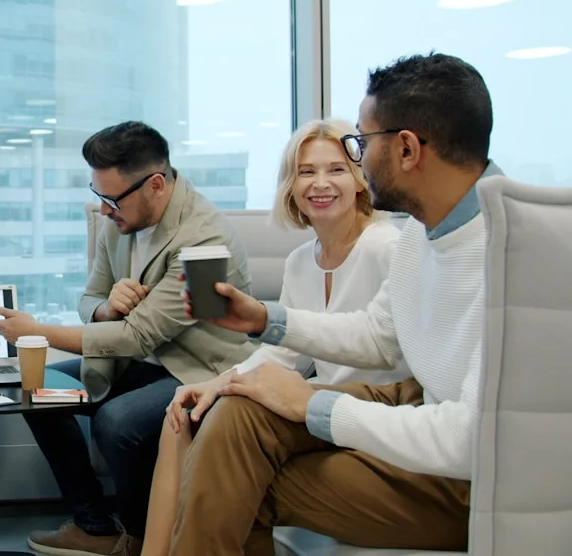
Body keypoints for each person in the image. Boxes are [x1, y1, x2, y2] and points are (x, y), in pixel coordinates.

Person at [167, 52, 499, 555]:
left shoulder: (509, 253)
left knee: (235, 483)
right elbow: (378, 335)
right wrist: (265, 320)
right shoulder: (421, 236)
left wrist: (316, 404)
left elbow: (467, 440)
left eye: (360, 144)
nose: (358, 158)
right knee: (239, 412)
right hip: (421, 406)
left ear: (407, 149)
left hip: (470, 478)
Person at [140, 118, 410, 556]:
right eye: (306, 172)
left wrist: (234, 379)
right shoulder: (302, 260)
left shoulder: (389, 247)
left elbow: (382, 345)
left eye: (336, 170)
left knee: (232, 420)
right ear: (291, 185)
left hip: (369, 407)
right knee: (182, 416)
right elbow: (284, 355)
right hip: (315, 409)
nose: (320, 183)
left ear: (360, 180)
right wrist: (210, 384)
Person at [0, 121, 256, 556]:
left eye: (111, 199)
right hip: (135, 361)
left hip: (196, 368)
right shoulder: (120, 221)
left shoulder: (205, 239)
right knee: (34, 389)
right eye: (98, 196)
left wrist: (37, 332)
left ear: (154, 185)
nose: (105, 210)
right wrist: (105, 308)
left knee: (120, 423)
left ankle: (141, 536)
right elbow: (89, 297)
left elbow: (138, 335)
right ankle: (96, 527)